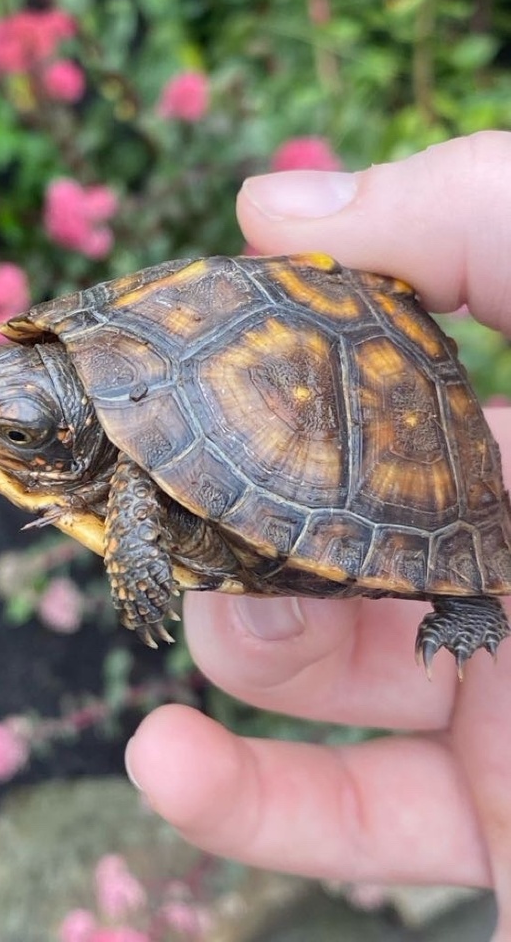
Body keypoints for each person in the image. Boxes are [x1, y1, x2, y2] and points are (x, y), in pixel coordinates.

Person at [124, 132, 511, 941]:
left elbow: (137, 473)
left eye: (19, 430)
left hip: (398, 474)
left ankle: (470, 592)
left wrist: (139, 552)